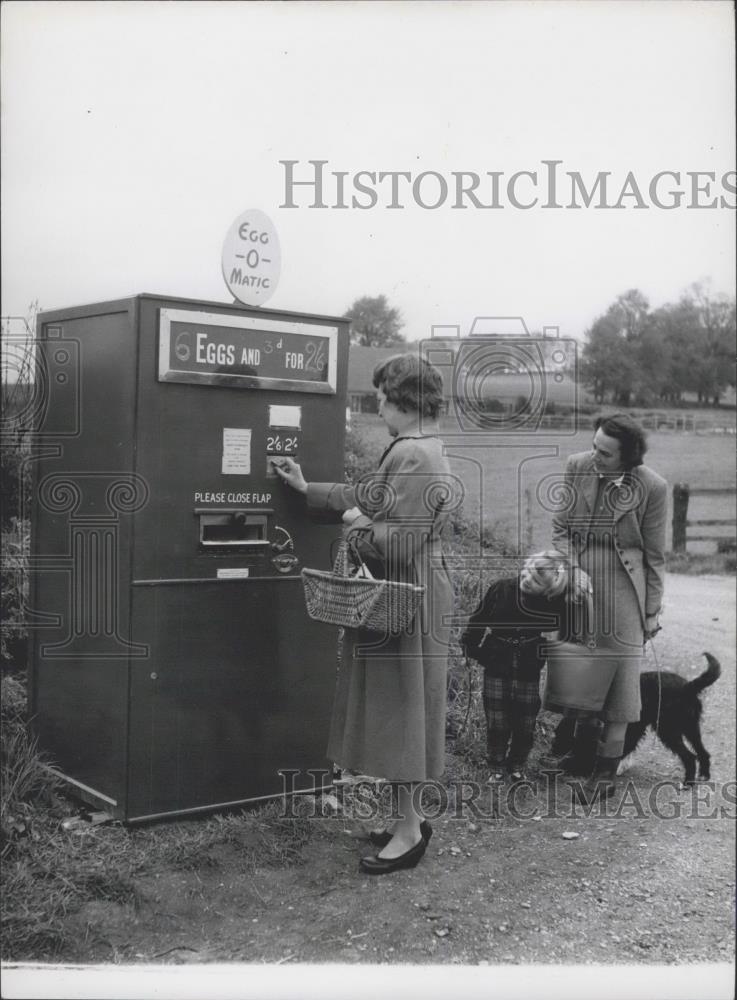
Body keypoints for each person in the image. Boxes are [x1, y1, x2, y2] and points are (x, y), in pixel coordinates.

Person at [274, 353, 457, 874]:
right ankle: (408, 820)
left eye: (380, 396)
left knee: (405, 711)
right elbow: (372, 497)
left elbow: (395, 543)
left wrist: (352, 521)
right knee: (402, 709)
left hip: (408, 590)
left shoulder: (416, 455)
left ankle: (409, 831)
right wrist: (309, 489)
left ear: (402, 398)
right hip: (408, 589)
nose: (378, 406)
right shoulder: (415, 448)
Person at [547, 413, 667, 803]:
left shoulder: (653, 487)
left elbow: (654, 555)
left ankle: (604, 774)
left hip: (623, 590)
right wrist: (572, 569)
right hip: (579, 587)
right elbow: (561, 529)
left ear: (628, 457)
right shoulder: (577, 466)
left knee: (619, 688)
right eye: (595, 445)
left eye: (606, 452)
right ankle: (579, 757)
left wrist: (651, 610)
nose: (595, 455)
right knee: (580, 673)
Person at [461, 551, 574, 784]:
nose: (527, 580)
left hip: (528, 663)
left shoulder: (553, 601)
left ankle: (517, 764)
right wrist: (472, 647)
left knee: (525, 719)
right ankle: (496, 764)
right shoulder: (501, 589)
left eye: (535, 582)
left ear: (548, 590)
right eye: (528, 573)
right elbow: (479, 620)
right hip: (496, 659)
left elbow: (568, 625)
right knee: (497, 717)